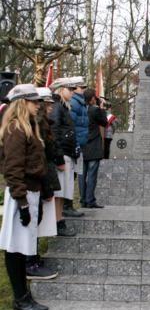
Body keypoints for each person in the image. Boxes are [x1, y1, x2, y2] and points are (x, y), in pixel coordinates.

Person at [0, 84, 49, 310]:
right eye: (33, 101)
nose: (37, 104)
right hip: (21, 194)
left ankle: (24, 295)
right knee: (15, 248)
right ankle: (20, 297)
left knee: (22, 247)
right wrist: (22, 203)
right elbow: (12, 169)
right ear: (22, 103)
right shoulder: (16, 130)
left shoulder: (29, 126)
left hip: (30, 192)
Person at [25, 87, 63, 280]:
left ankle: (33, 257)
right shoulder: (35, 124)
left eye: (49, 104)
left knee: (37, 219)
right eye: (45, 104)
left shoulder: (42, 122)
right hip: (34, 180)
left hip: (41, 176)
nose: (48, 107)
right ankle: (29, 260)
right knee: (32, 222)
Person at [49, 77, 78, 237]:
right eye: (70, 89)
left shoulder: (63, 107)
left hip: (67, 153)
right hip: (62, 155)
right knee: (58, 193)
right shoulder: (57, 107)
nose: (73, 92)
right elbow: (54, 134)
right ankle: (57, 222)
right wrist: (59, 158)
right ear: (61, 89)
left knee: (62, 193)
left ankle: (59, 221)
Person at [65, 76, 88, 217]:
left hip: (78, 143)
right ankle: (67, 206)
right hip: (74, 143)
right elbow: (71, 125)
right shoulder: (75, 102)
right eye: (81, 87)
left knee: (72, 175)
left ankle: (68, 205)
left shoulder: (80, 102)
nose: (83, 90)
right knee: (70, 176)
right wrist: (75, 144)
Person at [81, 88, 106, 208]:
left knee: (82, 175)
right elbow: (104, 122)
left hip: (81, 146)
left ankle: (83, 200)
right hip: (93, 146)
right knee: (91, 175)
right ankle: (90, 200)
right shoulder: (94, 110)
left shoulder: (79, 110)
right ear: (92, 99)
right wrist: (101, 107)